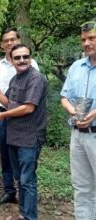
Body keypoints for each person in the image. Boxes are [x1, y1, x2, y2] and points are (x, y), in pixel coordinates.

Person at [0, 44, 47, 220]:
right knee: (20, 179)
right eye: (17, 57)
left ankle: (30, 216)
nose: (21, 60)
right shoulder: (15, 79)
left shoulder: (36, 78)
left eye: (25, 56)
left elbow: (28, 108)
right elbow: (8, 102)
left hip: (29, 137)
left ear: (30, 58)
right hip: (14, 136)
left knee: (27, 180)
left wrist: (1, 116)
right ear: (12, 60)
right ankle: (24, 213)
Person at [0, 27, 39, 206]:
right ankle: (9, 191)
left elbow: (31, 100)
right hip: (3, 114)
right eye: (6, 41)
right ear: (2, 45)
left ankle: (26, 193)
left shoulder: (30, 64)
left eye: (13, 39)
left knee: (25, 156)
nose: (10, 43)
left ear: (19, 40)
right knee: (6, 154)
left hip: (26, 117)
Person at [61, 20, 96, 220]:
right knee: (82, 187)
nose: (86, 43)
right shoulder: (76, 67)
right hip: (78, 136)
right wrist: (73, 110)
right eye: (83, 39)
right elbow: (64, 97)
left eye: (92, 38)